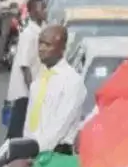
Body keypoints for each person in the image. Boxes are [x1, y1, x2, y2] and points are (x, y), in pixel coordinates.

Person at [24, 25, 86, 154]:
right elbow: (30, 122)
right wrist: (25, 150)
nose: (41, 49)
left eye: (48, 45)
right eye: (40, 43)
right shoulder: (39, 79)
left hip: (57, 154)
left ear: (62, 48)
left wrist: (34, 151)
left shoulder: (72, 81)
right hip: (33, 154)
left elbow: (59, 127)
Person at [6, 0, 45, 138]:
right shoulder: (29, 34)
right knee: (16, 132)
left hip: (30, 89)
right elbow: (25, 65)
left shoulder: (39, 31)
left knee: (22, 130)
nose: (44, 11)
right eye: (41, 9)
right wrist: (32, 90)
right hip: (24, 91)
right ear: (33, 12)